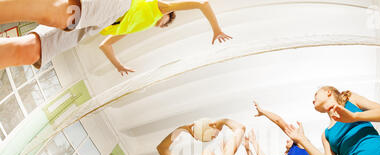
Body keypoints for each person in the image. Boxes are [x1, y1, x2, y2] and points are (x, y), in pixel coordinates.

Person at [0, 0, 232, 74]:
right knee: (61, 14)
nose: (160, 25)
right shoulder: (158, 8)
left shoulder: (136, 27)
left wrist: (120, 67)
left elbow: (105, 45)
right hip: (115, 5)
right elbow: (202, 3)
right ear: (167, 15)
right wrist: (216, 29)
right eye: (164, 23)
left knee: (32, 51)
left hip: (96, 25)